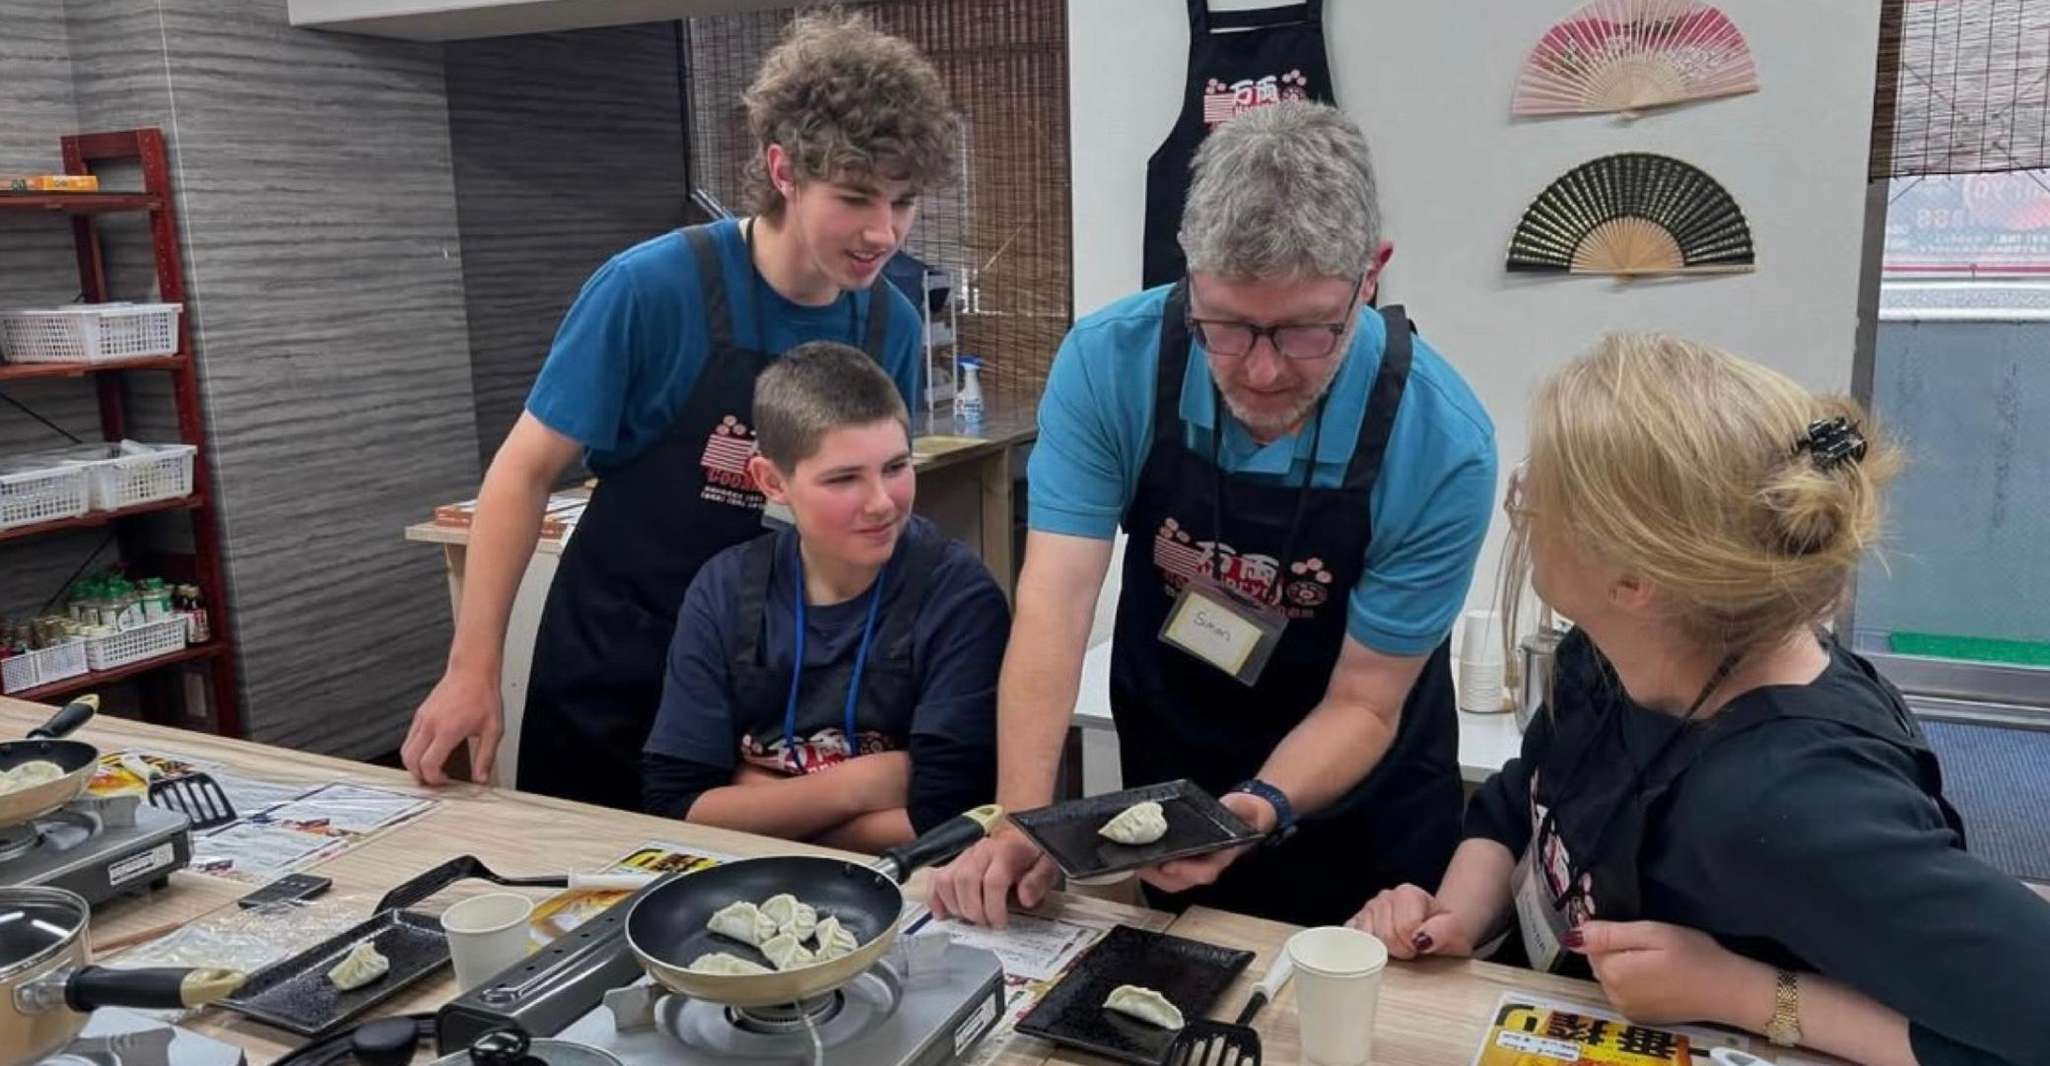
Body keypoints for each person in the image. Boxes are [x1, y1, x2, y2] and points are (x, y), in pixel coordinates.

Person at [1349, 334, 2050, 1066]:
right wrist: (1456, 917)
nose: (1519, 501)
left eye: (1540, 492)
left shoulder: (1797, 802)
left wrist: (1743, 993)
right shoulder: (1607, 655)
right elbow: (1523, 798)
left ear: (1633, 580)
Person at [930, 100, 1497, 928]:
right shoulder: (1111, 364)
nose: (1262, 372)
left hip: (1366, 809)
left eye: (1304, 332)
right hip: (1177, 759)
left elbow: (1366, 702)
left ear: (1371, 275)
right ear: (1188, 268)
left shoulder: (1440, 443)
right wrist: (1022, 816)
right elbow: (1054, 605)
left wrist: (1258, 807)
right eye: (1225, 326)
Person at [400, 12, 958, 809]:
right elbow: (523, 473)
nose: (883, 232)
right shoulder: (651, 290)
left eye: (903, 203)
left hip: (775, 683)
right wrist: (472, 667)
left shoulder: (887, 328)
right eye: (855, 198)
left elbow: (866, 524)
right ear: (783, 169)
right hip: (617, 664)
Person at [640, 342, 1006, 850]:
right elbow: (674, 805)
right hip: (753, 876)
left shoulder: (959, 597)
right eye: (844, 479)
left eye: (896, 467)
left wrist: (754, 795)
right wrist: (859, 785)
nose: (881, 503)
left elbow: (947, 820)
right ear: (771, 481)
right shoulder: (723, 589)